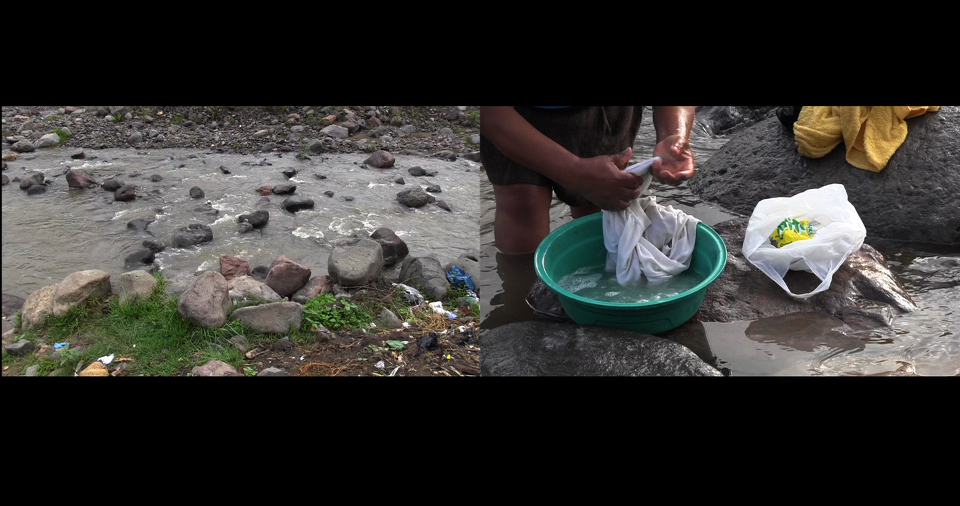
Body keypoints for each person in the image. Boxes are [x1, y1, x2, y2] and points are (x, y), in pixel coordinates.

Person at [479, 106, 698, 255]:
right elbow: (492, 116)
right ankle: (524, 309)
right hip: (516, 115)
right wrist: (576, 173)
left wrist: (674, 135)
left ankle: (599, 295)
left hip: (603, 114)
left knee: (601, 202)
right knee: (521, 202)